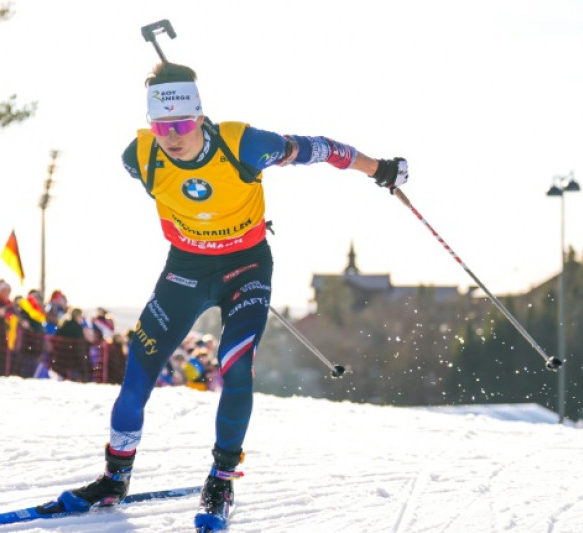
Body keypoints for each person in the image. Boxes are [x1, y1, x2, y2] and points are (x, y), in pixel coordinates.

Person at [39, 62, 408, 529]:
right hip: (186, 269)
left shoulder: (246, 145)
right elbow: (197, 199)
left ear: (199, 116)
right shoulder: (139, 156)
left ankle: (221, 479)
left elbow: (321, 150)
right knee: (138, 370)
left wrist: (380, 169)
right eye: (161, 125)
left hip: (245, 269)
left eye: (182, 124)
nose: (171, 136)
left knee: (235, 366)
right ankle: (115, 477)